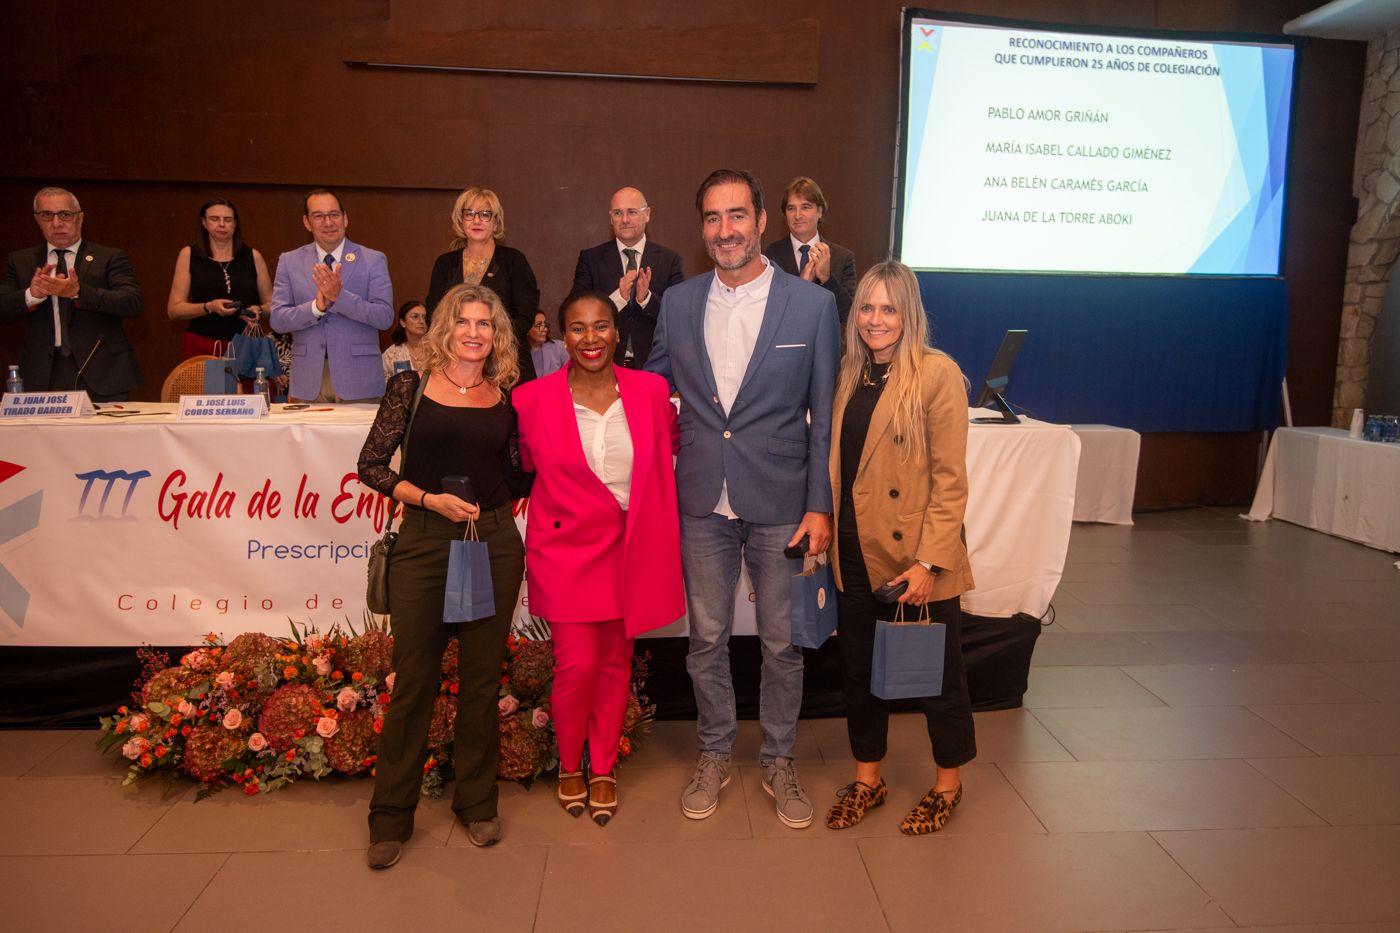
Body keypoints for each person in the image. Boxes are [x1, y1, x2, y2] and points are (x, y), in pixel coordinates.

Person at [646, 168, 839, 829]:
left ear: (762, 220)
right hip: (701, 499)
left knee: (782, 644)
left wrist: (821, 506)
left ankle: (779, 758)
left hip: (783, 501)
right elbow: (651, 387)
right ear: (701, 228)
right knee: (706, 640)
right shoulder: (679, 302)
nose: (724, 229)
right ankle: (714, 749)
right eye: (711, 218)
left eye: (736, 215)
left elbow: (825, 416)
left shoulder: (812, 307)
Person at [356, 283, 527, 870]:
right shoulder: (410, 385)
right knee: (415, 683)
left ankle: (477, 804)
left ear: (496, 334)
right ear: (445, 329)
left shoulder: (508, 396)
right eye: (463, 322)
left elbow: (518, 475)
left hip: (493, 543)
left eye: (485, 323)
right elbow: (371, 466)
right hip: (426, 544)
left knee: (481, 681)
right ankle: (390, 817)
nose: (474, 332)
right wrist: (428, 499)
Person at [513, 289, 684, 825]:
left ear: (617, 333)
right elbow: (519, 466)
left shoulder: (652, 391)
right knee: (577, 664)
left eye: (601, 326)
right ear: (563, 336)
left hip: (628, 546)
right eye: (579, 328)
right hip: (566, 548)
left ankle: (603, 766)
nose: (591, 338)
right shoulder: (531, 399)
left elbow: (672, 451)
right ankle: (570, 764)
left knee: (614, 663)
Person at [823, 260, 976, 835]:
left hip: (916, 558)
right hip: (853, 551)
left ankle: (947, 785)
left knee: (937, 676)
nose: (875, 320)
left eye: (889, 309)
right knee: (860, 673)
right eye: (866, 307)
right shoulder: (849, 375)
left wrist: (930, 561)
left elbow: (951, 480)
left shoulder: (936, 375)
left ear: (909, 314)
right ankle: (869, 778)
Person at [0, 186, 143, 401]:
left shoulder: (109, 257)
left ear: (80, 218)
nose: (57, 223)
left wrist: (78, 292)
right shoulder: (21, 261)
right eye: (47, 215)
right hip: (44, 373)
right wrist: (32, 294)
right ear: (37, 219)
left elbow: (131, 303)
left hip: (101, 371)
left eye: (65, 214)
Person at [269, 189, 393, 403]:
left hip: (359, 380)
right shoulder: (289, 261)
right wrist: (316, 308)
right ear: (307, 223)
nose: (328, 222)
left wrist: (339, 298)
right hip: (308, 382)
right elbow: (278, 321)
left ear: (345, 218)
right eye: (319, 216)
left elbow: (384, 317)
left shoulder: (373, 259)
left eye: (334, 214)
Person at [425, 187, 539, 382]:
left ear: (496, 223)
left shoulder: (514, 261)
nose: (476, 220)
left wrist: (488, 340)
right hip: (454, 364)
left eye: (485, 214)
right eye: (469, 214)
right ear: (460, 221)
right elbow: (434, 315)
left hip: (506, 365)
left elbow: (525, 315)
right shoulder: (445, 263)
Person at [572, 186, 684, 370]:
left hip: (654, 365)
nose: (624, 220)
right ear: (611, 218)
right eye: (618, 213)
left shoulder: (669, 260)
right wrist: (617, 299)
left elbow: (678, 316)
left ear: (647, 214)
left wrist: (646, 299)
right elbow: (575, 311)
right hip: (604, 366)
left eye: (631, 212)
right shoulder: (591, 259)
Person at [165, 198, 273, 359]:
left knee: (252, 385)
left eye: (227, 219)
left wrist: (259, 310)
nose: (221, 224)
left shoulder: (253, 256)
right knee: (208, 385)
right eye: (214, 219)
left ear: (235, 224)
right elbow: (174, 310)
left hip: (246, 345)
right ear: (204, 222)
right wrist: (209, 307)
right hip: (202, 344)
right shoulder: (189, 254)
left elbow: (273, 304)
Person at [762, 176, 857, 325]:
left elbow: (849, 314)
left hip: (826, 345)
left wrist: (827, 278)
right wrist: (801, 285)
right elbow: (766, 312)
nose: (797, 215)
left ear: (820, 211)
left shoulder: (843, 257)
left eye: (805, 207)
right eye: (791, 208)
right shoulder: (770, 255)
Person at [381, 300, 428, 378]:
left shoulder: (436, 350)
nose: (421, 321)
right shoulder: (392, 353)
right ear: (403, 322)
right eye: (415, 317)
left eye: (424, 317)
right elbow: (383, 384)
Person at [526, 309, 567, 378]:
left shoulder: (560, 348)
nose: (544, 329)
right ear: (526, 328)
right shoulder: (518, 354)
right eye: (538, 325)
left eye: (544, 324)